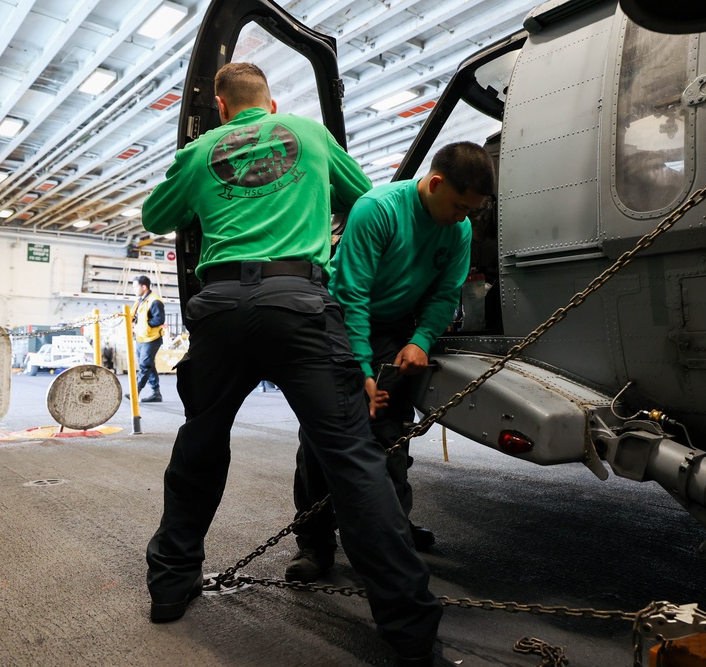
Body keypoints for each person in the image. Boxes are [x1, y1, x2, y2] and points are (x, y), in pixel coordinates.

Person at [140, 62, 442, 666]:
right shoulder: (310, 134)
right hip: (300, 305)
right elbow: (368, 202)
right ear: (271, 104)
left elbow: (155, 218)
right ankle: (408, 627)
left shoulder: (200, 152)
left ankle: (171, 586)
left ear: (223, 108)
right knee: (353, 458)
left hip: (221, 307)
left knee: (200, 444)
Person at [286, 142, 494, 583]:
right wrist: (360, 370)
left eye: (471, 211)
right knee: (324, 438)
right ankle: (315, 545)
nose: (463, 217)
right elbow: (353, 296)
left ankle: (392, 532)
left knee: (388, 435)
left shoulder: (458, 229)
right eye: (459, 206)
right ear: (435, 183)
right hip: (339, 322)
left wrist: (420, 340)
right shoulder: (376, 209)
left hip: (393, 329)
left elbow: (443, 295)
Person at [129, 275, 165, 403]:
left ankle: (136, 390)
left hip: (152, 338)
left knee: (145, 365)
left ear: (144, 287)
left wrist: (145, 324)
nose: (133, 289)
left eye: (135, 287)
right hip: (141, 337)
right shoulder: (141, 300)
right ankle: (156, 393)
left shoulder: (154, 301)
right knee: (149, 365)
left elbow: (159, 319)